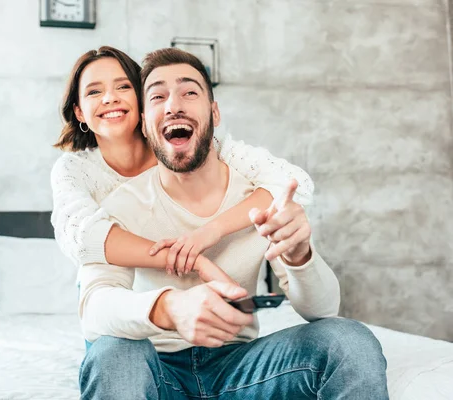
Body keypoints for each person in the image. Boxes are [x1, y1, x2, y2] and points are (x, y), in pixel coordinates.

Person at [77, 48, 389, 399]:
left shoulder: (261, 197)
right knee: (112, 354)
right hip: (155, 373)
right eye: (158, 96)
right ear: (145, 125)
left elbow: (323, 310)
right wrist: (169, 307)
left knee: (348, 339)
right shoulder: (120, 207)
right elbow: (94, 309)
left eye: (189, 92)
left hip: (242, 368)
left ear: (214, 112)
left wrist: (301, 256)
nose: (173, 105)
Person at [50, 46, 315, 281]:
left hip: (194, 284)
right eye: (94, 91)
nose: (110, 98)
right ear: (79, 111)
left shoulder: (191, 148)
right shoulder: (73, 170)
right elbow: (82, 237)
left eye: (123, 87)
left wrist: (214, 230)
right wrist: (191, 260)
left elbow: (293, 182)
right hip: (118, 288)